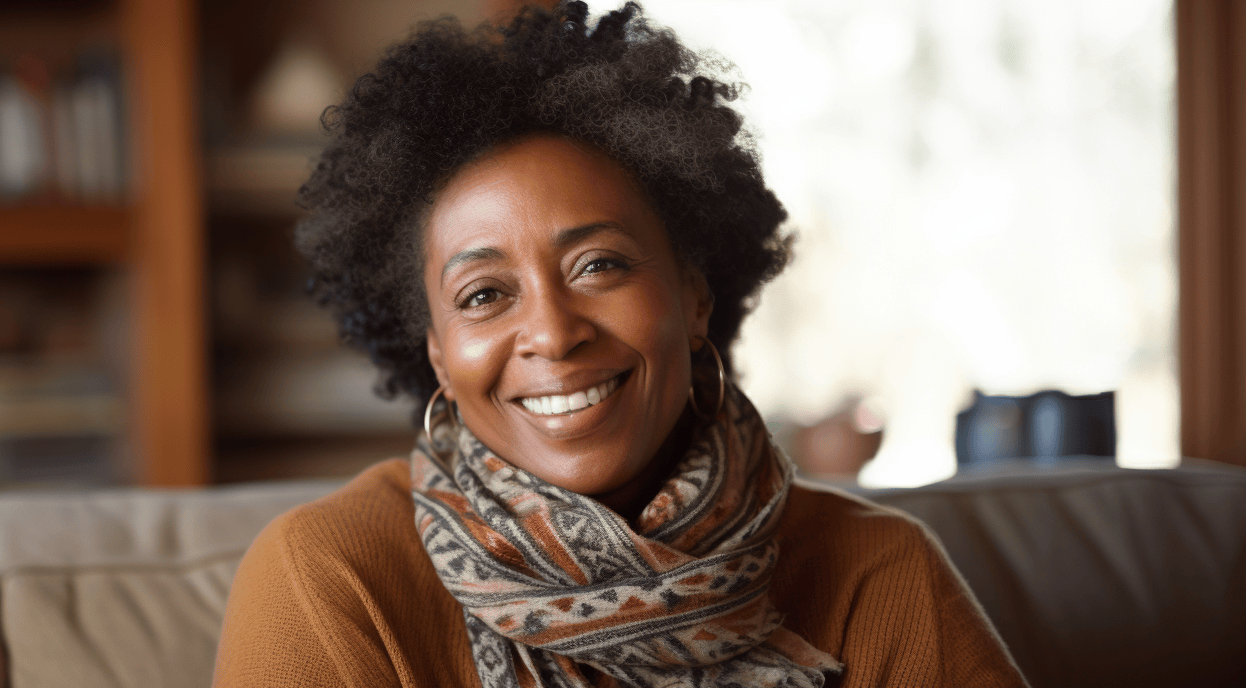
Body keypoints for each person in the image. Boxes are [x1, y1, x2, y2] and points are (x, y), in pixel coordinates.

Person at [214, 3, 1027, 686]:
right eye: (485, 295)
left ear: (694, 298)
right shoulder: (330, 581)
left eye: (598, 265)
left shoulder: (876, 576)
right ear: (436, 354)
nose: (553, 333)